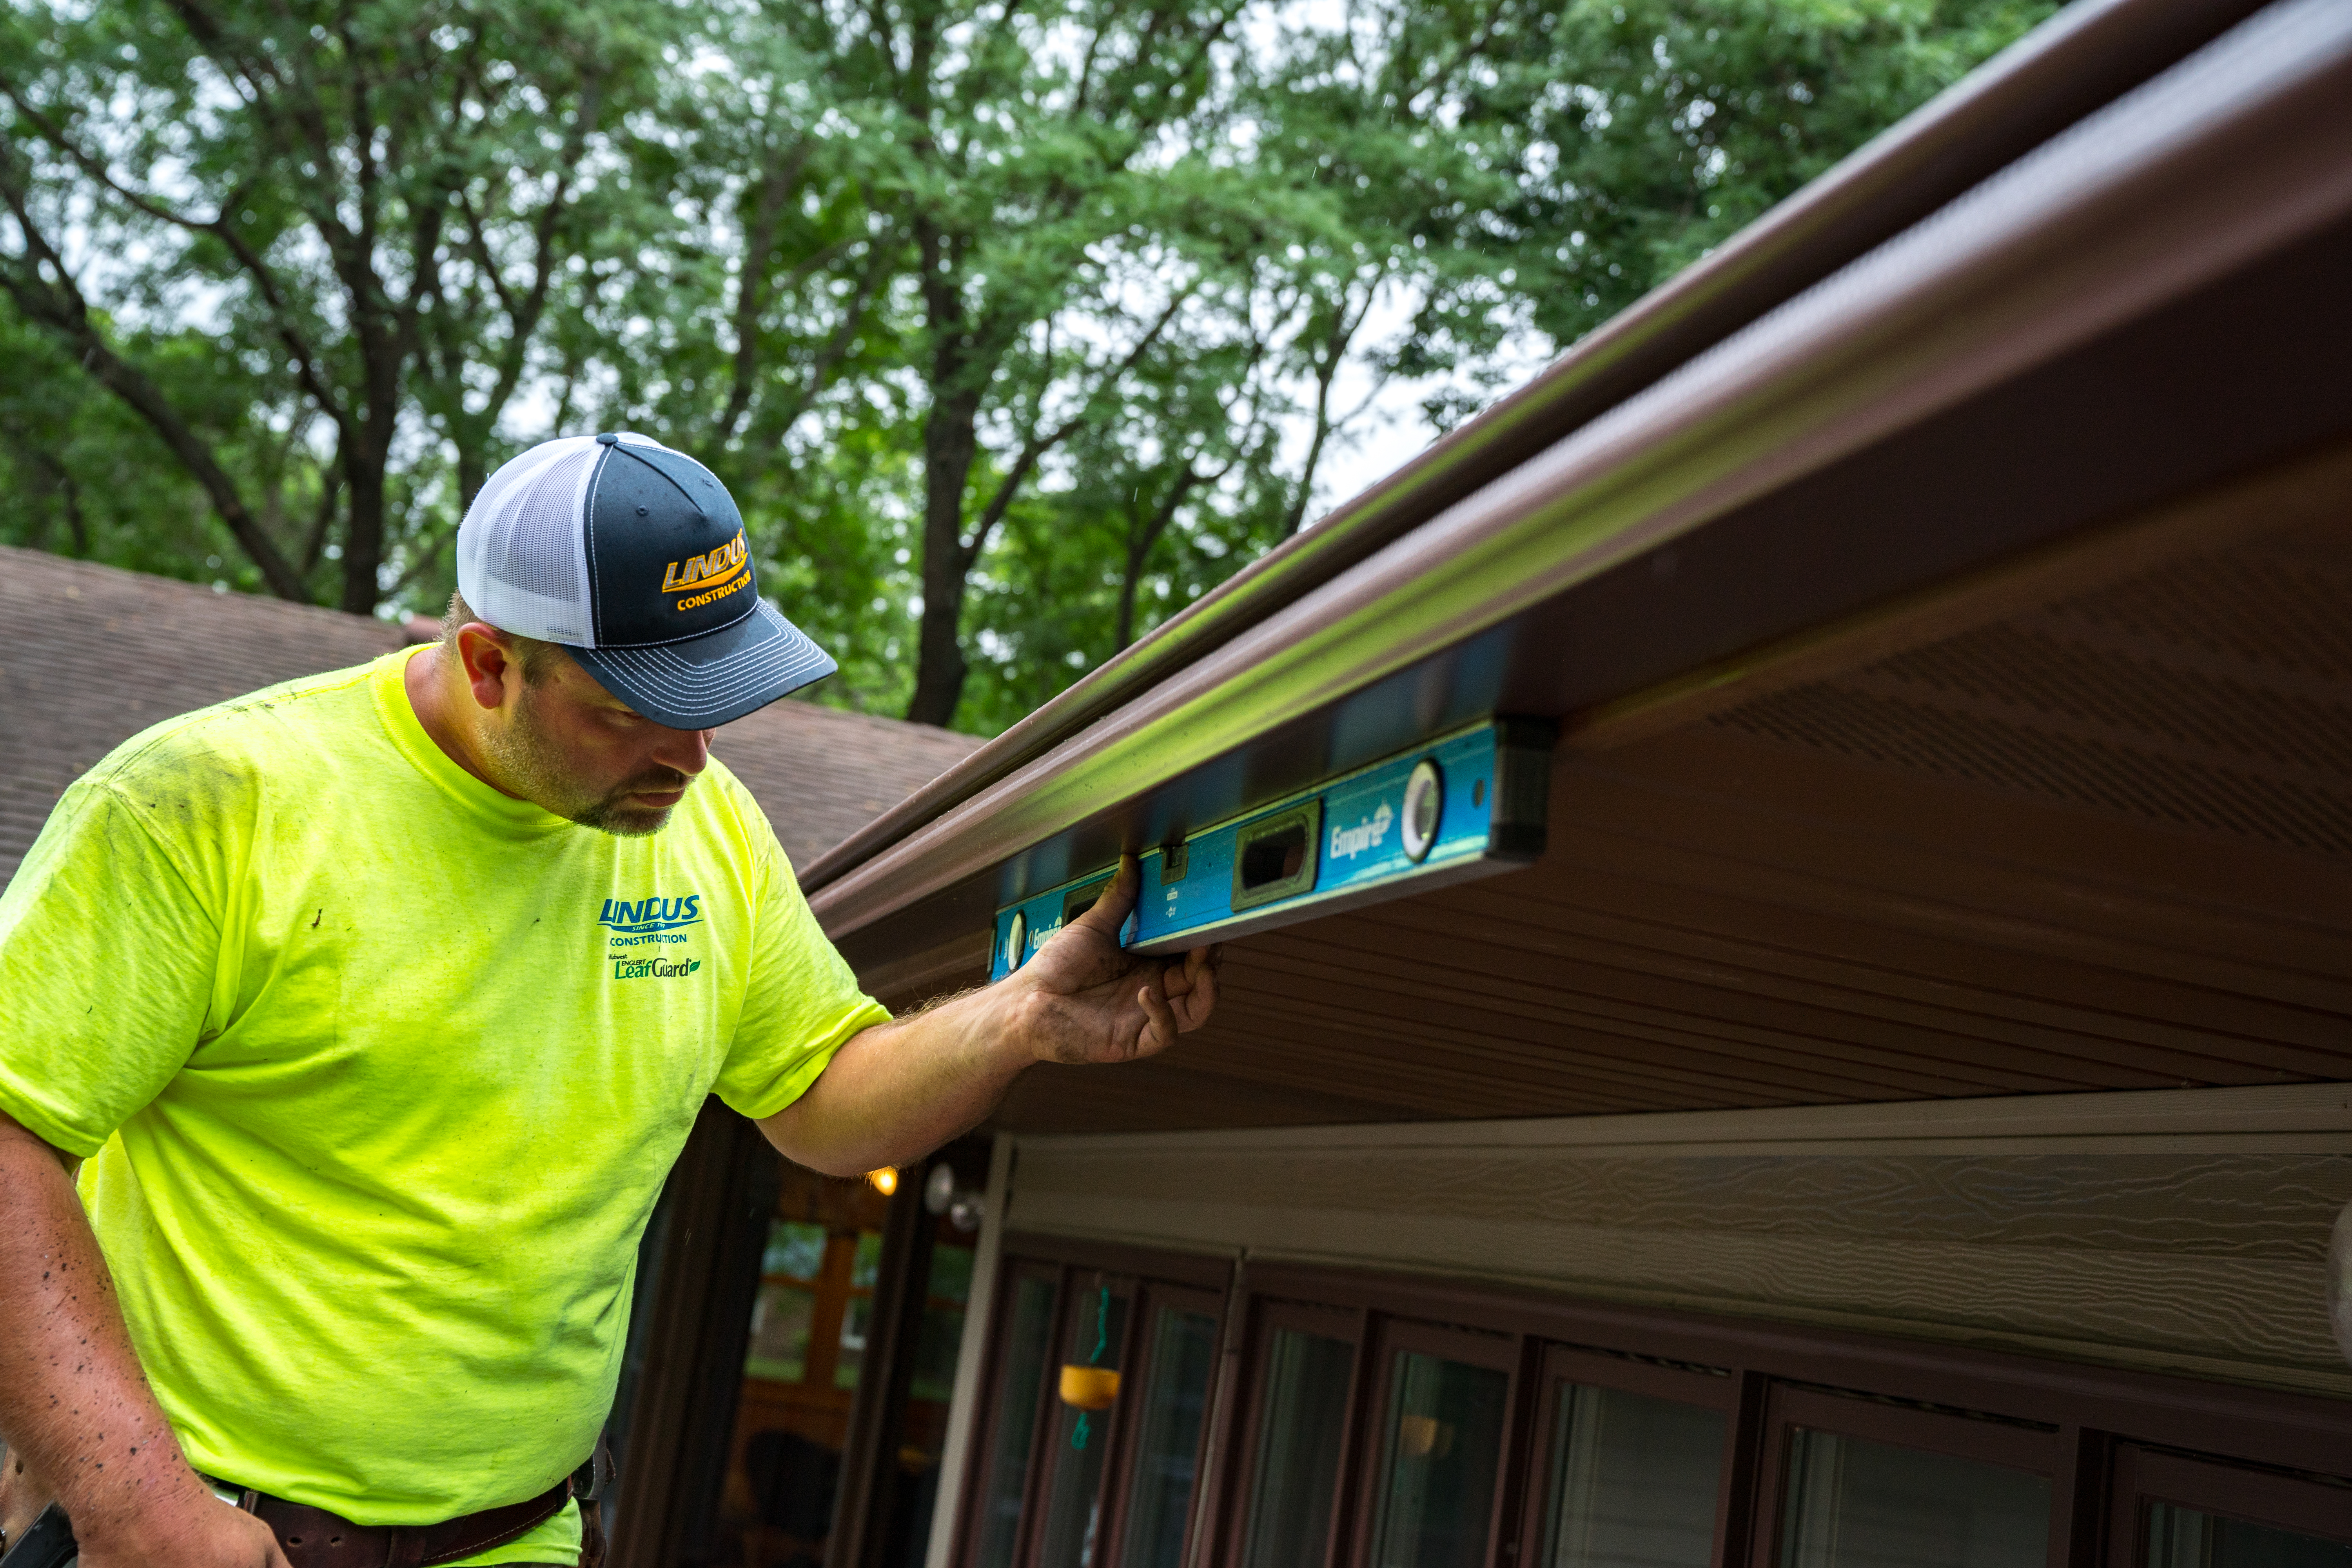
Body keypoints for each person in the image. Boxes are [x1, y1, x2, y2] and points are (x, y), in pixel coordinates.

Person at [0, 432, 1219, 1568]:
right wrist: (136, 1505)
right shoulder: (213, 803)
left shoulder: (707, 831)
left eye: (714, 707)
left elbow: (820, 1096)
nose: (689, 761)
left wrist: (1021, 1019)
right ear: (489, 663)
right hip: (208, 1533)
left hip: (519, 1536)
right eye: (634, 713)